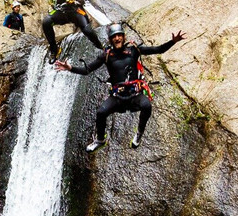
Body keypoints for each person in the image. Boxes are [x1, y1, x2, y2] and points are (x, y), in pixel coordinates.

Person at [56, 22, 185, 151]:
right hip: (117, 97)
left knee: (147, 106)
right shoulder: (106, 55)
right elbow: (87, 70)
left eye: (119, 35)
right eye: (114, 36)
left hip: (135, 95)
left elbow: (158, 49)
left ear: (123, 37)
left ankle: (139, 133)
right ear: (110, 39)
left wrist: (172, 42)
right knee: (101, 112)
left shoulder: (134, 50)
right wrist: (70, 68)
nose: (117, 38)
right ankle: (100, 140)